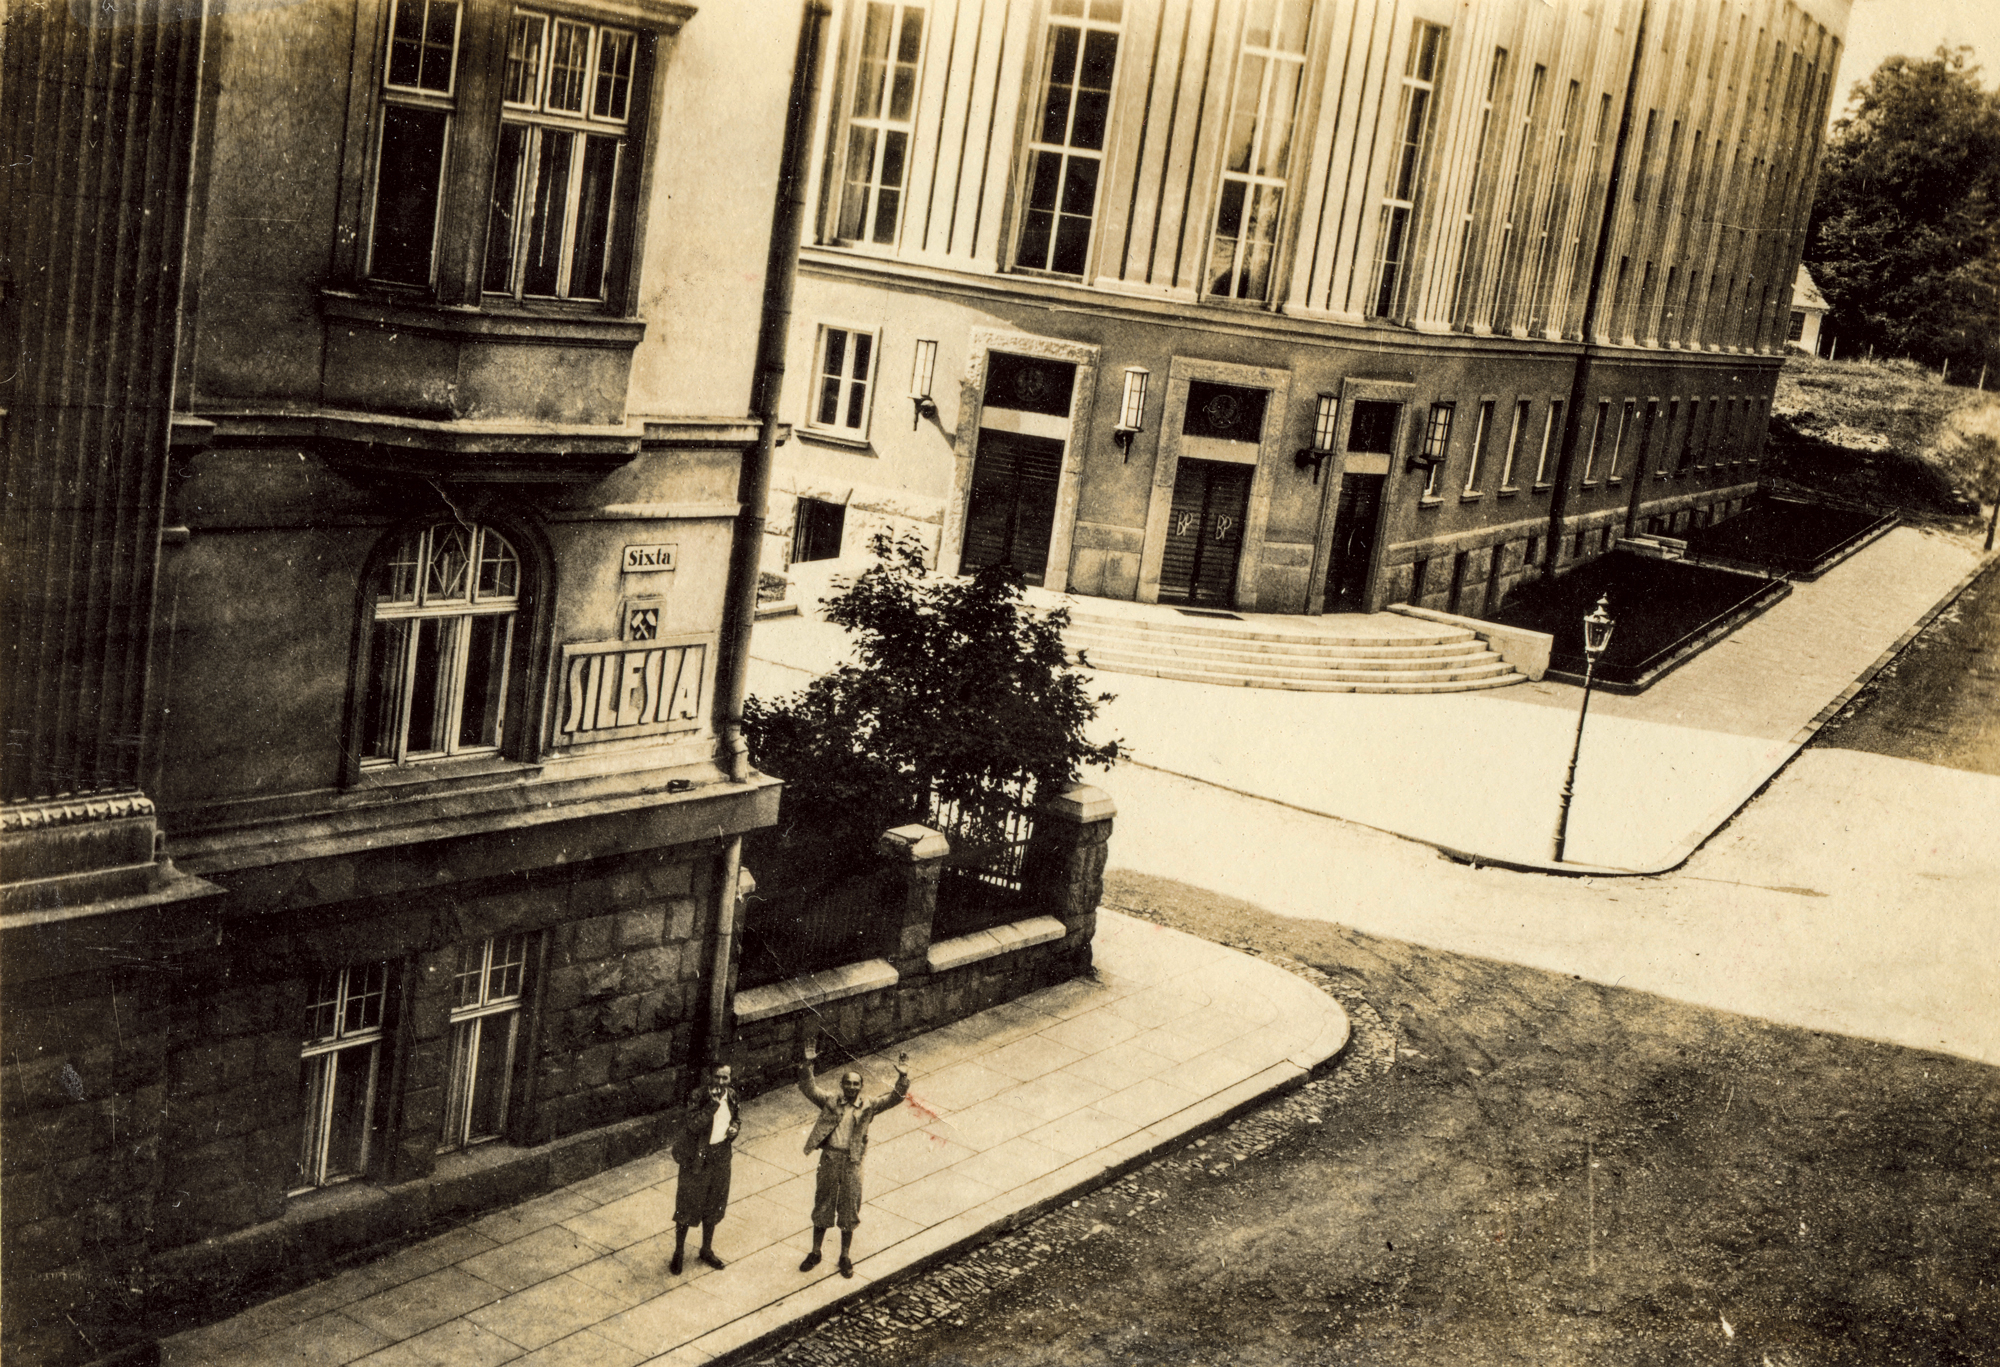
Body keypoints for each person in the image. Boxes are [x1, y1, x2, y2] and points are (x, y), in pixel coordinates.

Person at [797, 1038, 910, 1278]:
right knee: (823, 1204)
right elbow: (808, 1088)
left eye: (855, 1083)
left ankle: (845, 1256)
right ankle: (816, 1252)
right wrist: (808, 1065)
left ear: (860, 1087)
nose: (851, 1087)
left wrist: (902, 1078)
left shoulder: (868, 1105)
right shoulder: (830, 1101)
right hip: (830, 1159)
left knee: (849, 1208)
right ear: (841, 1085)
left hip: (852, 1162)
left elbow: (895, 1099)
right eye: (847, 1083)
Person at [669, 1063, 740, 1275]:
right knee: (687, 1205)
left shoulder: (733, 1095)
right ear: (710, 1077)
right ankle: (679, 1252)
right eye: (717, 1077)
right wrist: (712, 1106)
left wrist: (735, 1128)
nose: (720, 1082)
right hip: (697, 1158)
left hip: (721, 1156)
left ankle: (706, 1249)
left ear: (730, 1079)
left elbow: (736, 1117)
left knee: (715, 1204)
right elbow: (693, 1125)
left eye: (725, 1078)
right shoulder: (698, 1096)